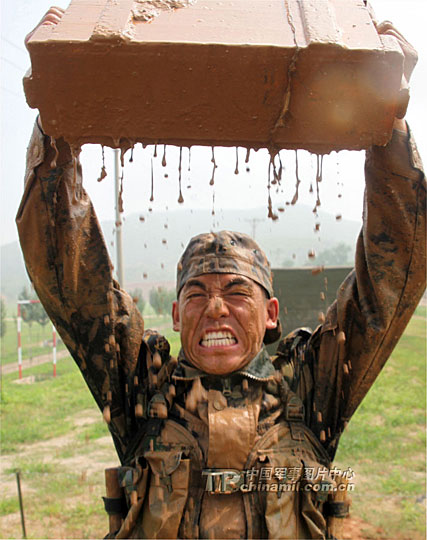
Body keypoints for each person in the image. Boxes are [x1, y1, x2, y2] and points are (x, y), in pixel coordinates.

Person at [17, 7, 425, 540]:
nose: (214, 308)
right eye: (196, 294)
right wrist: (55, 121)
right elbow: (71, 278)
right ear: (176, 314)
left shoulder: (311, 390)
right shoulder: (143, 391)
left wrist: (391, 131)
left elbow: (392, 277)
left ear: (271, 313)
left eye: (236, 292)